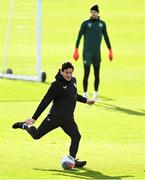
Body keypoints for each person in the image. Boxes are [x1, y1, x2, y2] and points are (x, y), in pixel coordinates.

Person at [12, 62, 95, 168]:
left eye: (71, 72)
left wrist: (86, 101)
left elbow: (74, 95)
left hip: (68, 119)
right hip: (54, 118)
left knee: (76, 136)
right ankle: (25, 126)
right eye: (66, 72)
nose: (69, 75)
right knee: (37, 135)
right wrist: (34, 118)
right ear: (61, 71)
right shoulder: (55, 85)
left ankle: (72, 161)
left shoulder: (73, 81)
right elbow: (45, 101)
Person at [73, 4, 113, 101]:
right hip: (87, 53)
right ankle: (85, 93)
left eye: (94, 12)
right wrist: (76, 49)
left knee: (96, 74)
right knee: (86, 73)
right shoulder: (85, 24)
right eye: (92, 12)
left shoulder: (102, 24)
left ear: (98, 12)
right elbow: (79, 36)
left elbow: (106, 37)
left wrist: (110, 50)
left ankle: (95, 94)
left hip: (96, 54)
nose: (93, 13)